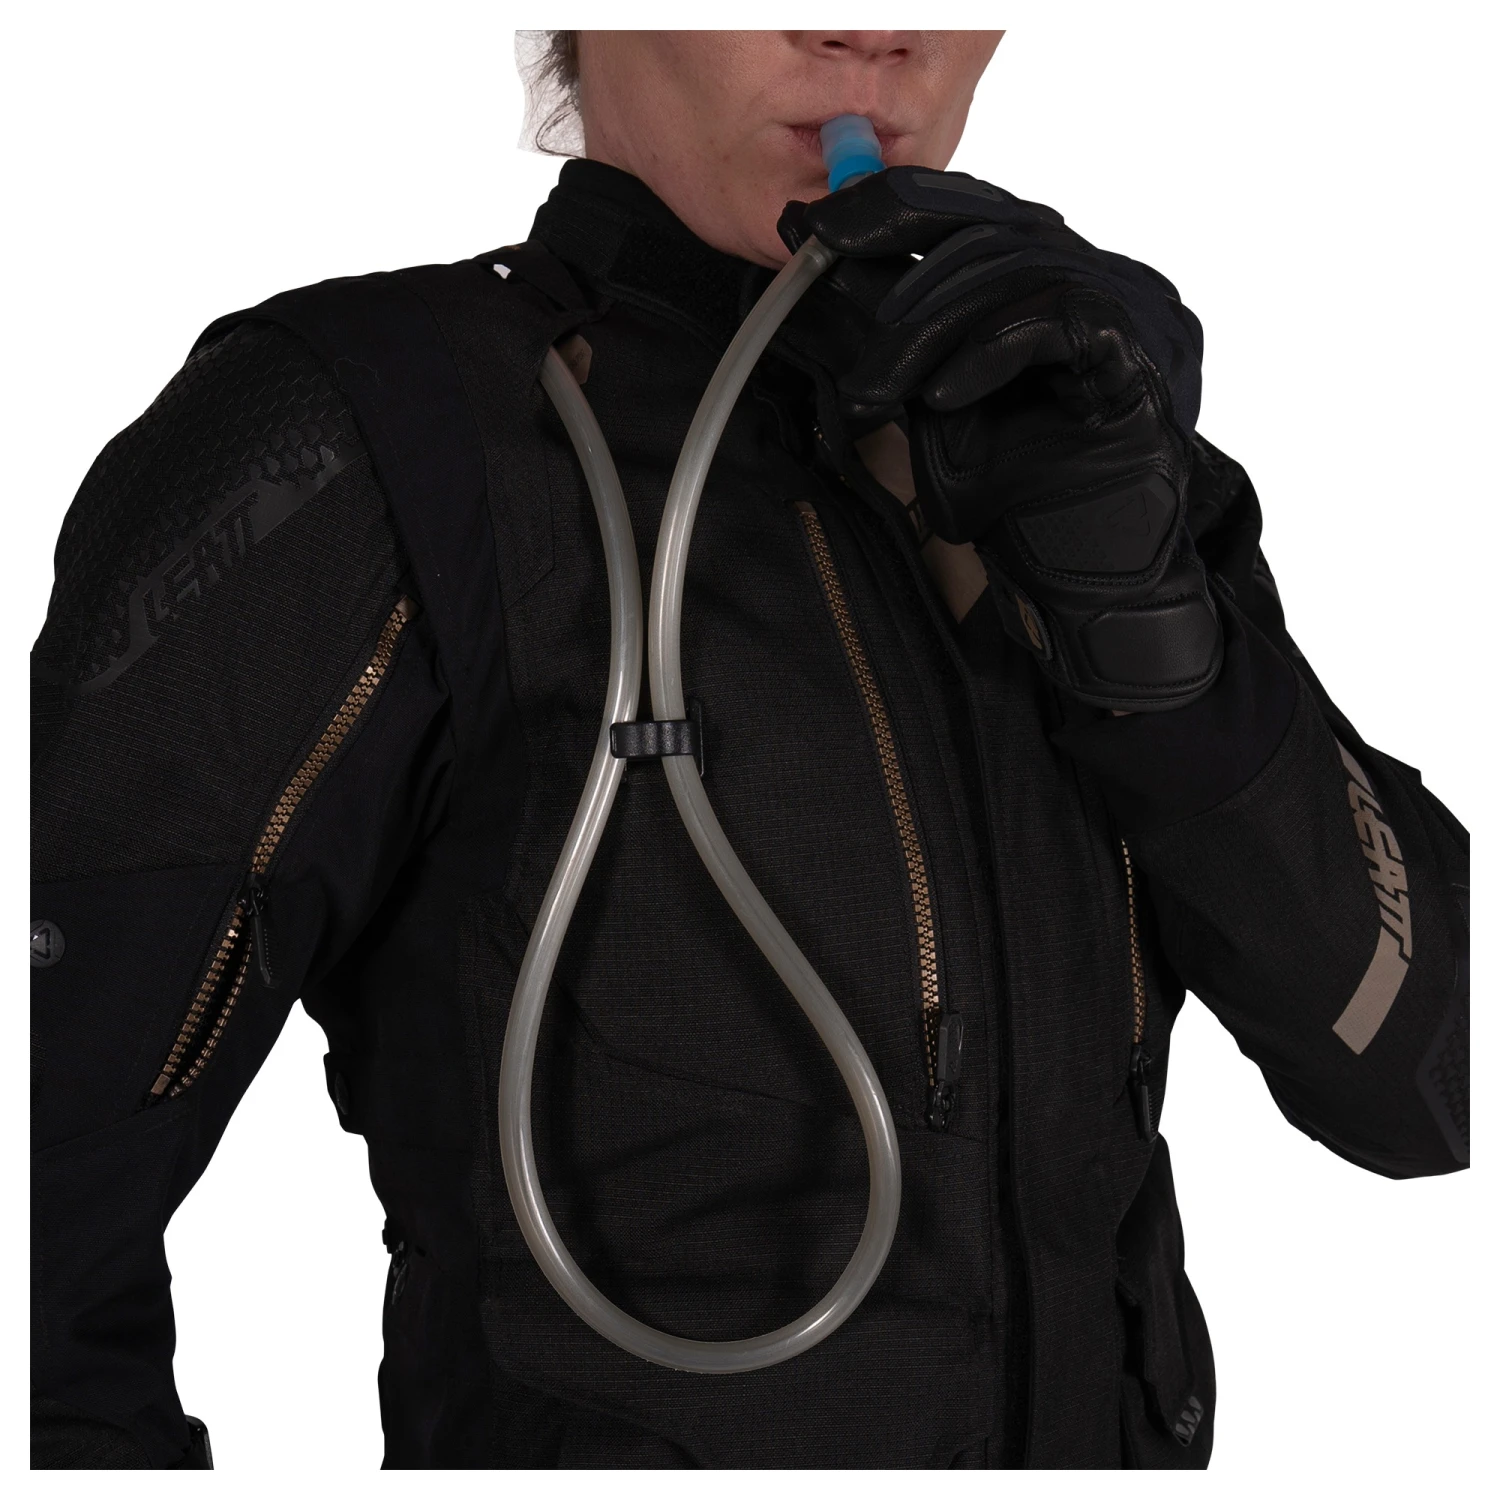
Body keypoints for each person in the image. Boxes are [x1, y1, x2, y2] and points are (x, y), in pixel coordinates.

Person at [30, 29, 1469, 1469]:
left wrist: (1163, 643)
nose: (876, 26)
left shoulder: (1069, 448)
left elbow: (1432, 1077)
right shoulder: (363, 437)